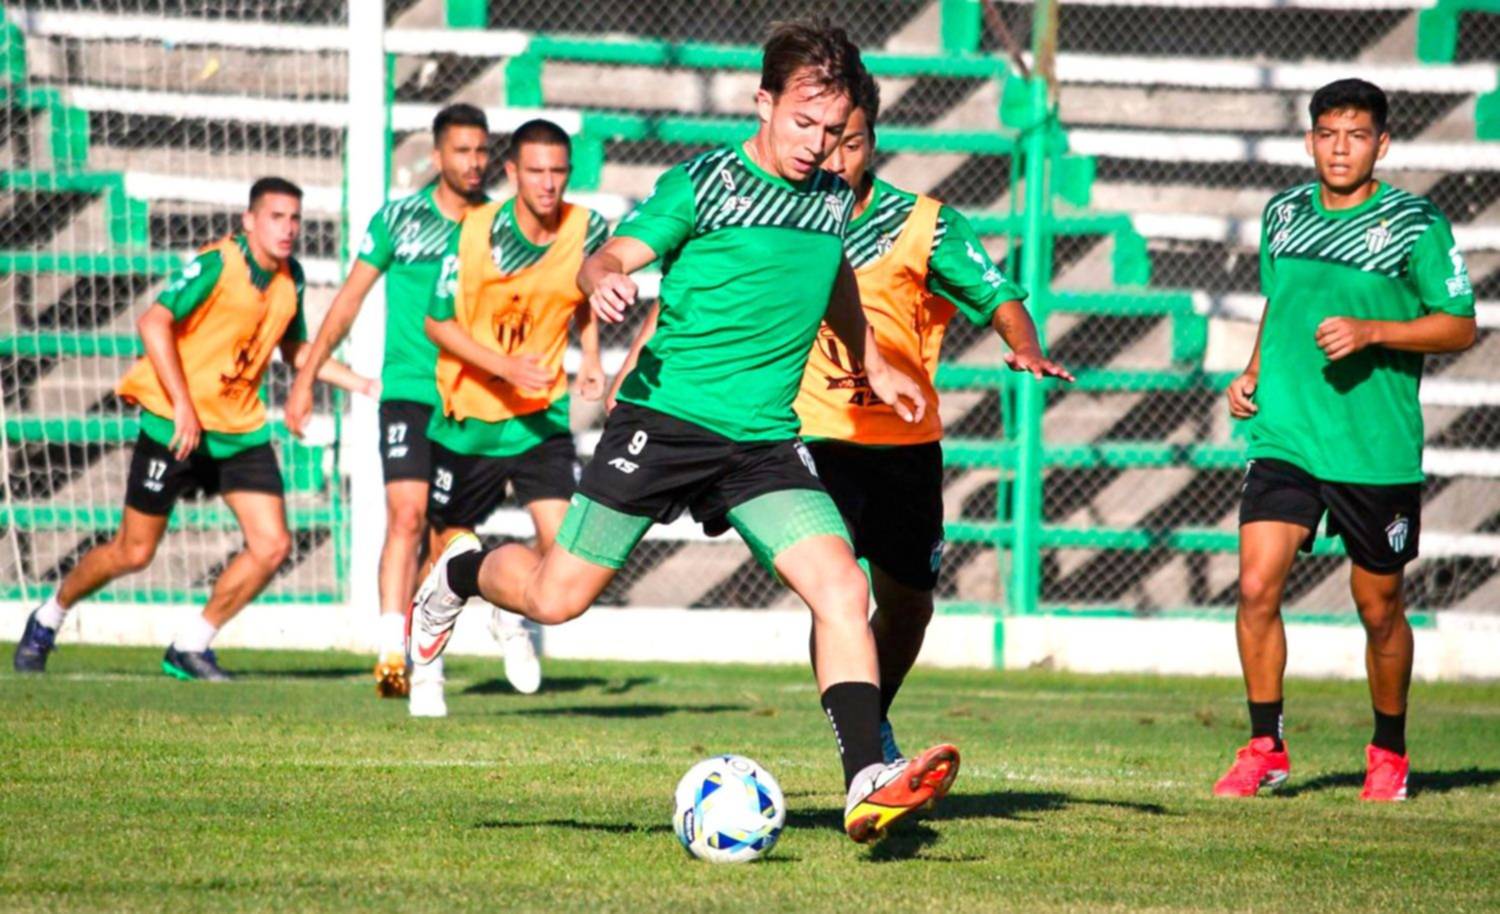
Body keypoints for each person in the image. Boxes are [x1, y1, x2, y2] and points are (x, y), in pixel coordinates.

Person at [407, 21, 959, 843]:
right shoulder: (706, 183)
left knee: (844, 587)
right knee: (558, 599)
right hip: (666, 424)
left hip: (763, 443)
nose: (817, 144)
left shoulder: (829, 197)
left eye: (833, 129)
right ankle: (461, 569)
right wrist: (603, 280)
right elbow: (612, 255)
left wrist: (871, 361)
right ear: (763, 103)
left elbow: (833, 274)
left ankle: (864, 781)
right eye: (803, 123)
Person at [796, 73, 1071, 761]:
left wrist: (1026, 346)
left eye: (852, 143)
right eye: (828, 141)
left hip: (904, 447)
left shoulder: (925, 225)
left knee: (910, 608)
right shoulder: (784, 216)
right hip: (816, 438)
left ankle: (873, 718)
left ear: (872, 144)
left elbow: (999, 297)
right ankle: (863, 751)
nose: (837, 158)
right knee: (838, 591)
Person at [1216, 79, 1476, 802]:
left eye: (1357, 136)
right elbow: (1281, 305)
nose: (1340, 149)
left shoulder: (1416, 225)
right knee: (1256, 585)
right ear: (1310, 141)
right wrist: (1253, 371)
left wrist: (1374, 332)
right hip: (1286, 435)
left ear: (1381, 145)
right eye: (1328, 134)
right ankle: (1265, 747)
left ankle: (1389, 751)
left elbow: (1459, 325)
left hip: (1373, 447)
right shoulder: (1283, 214)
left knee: (1379, 607)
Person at [12, 178, 374, 681]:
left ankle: (191, 645)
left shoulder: (291, 277)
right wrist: (183, 404)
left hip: (237, 430)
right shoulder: (217, 264)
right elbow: (152, 322)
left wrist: (362, 383)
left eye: (295, 218)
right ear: (249, 221)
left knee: (272, 545)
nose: (288, 228)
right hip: (174, 424)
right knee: (134, 552)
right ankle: (49, 616)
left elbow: (293, 349)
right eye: (276, 216)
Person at [284, 104, 543, 700]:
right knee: (405, 515)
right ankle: (389, 655)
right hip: (407, 391)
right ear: (437, 155)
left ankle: (430, 656)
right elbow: (348, 301)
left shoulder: (499, 225)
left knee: (449, 535)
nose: (474, 162)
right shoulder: (399, 220)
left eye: (482, 150)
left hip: (470, 399)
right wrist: (306, 378)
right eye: (462, 150)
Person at [409, 118, 609, 715]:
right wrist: (504, 366)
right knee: (446, 554)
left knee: (565, 550)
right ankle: (426, 673)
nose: (548, 183)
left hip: (537, 421)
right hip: (468, 420)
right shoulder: (474, 231)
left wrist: (591, 357)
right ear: (512, 172)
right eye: (536, 171)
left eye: (558, 171)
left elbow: (586, 295)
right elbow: (437, 323)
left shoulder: (587, 228)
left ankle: (506, 606)